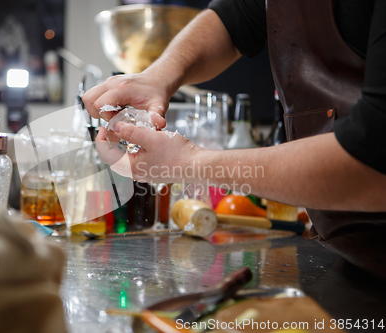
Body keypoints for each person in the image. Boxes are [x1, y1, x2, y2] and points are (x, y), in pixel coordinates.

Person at [82, 0, 386, 275]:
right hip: (354, 258)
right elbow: (234, 17)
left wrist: (189, 163)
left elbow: (370, 162)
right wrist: (156, 77)